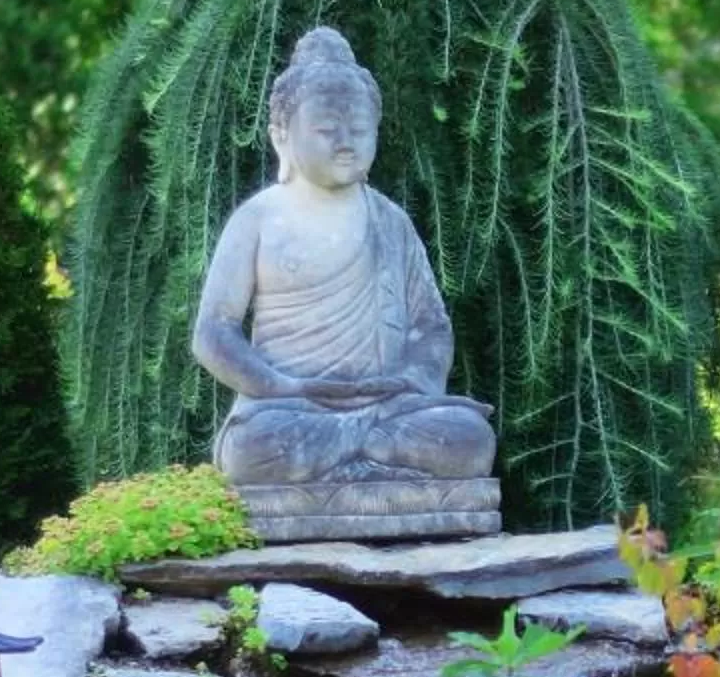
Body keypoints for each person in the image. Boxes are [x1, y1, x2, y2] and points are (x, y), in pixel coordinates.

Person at [191, 27, 496, 490]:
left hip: (386, 407)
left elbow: (431, 328)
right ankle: (371, 454)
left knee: (470, 439)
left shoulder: (390, 221)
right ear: (281, 137)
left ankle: (361, 448)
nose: (345, 143)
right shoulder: (259, 219)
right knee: (248, 451)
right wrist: (281, 387)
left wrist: (413, 381)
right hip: (289, 410)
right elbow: (212, 334)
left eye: (358, 130)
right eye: (327, 130)